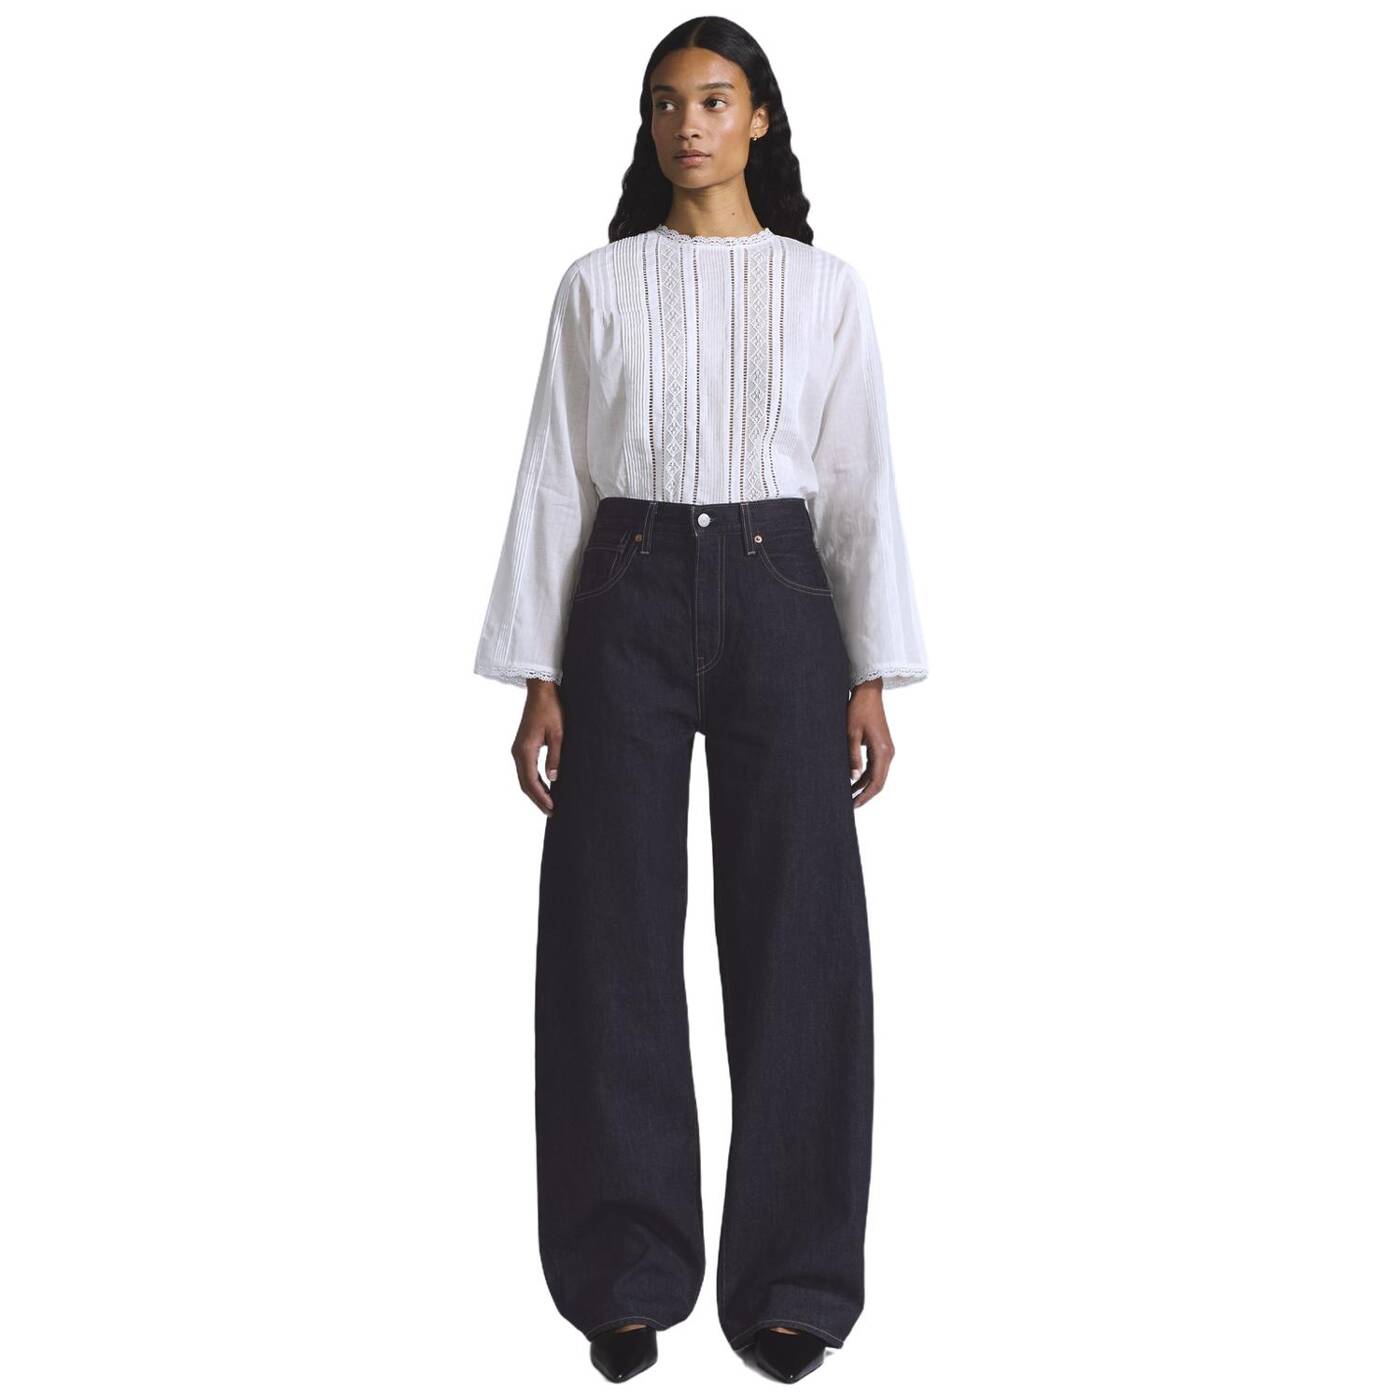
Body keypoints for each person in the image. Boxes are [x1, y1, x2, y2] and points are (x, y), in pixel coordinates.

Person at [474, 18, 928, 1386]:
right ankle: (624, 1275)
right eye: (667, 104)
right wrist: (539, 671)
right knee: (607, 927)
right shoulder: (597, 286)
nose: (690, 126)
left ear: (760, 119)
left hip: (784, 593)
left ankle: (793, 1283)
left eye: (716, 102)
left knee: (801, 930)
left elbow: (857, 477)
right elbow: (554, 471)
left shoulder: (823, 287)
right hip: (626, 588)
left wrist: (871, 671)